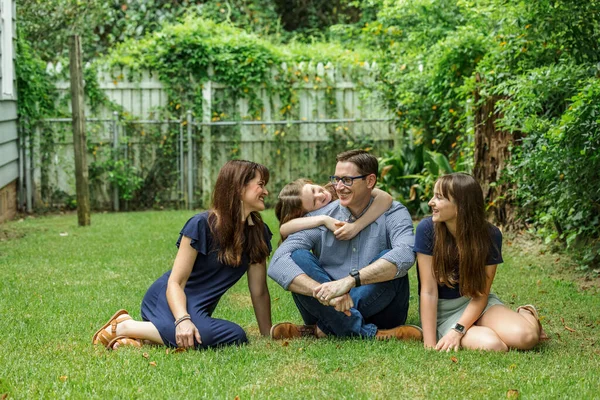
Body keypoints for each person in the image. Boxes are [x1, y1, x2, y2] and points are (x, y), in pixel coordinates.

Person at [92, 160, 273, 350]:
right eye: (260, 185)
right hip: (169, 299)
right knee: (221, 335)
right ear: (238, 187)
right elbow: (176, 282)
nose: (266, 192)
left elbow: (259, 291)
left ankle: (144, 336)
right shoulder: (201, 225)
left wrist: (266, 333)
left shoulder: (258, 233)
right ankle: (124, 327)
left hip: (198, 310)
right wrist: (182, 320)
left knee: (234, 336)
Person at [268, 149, 422, 341]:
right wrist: (328, 294)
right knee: (297, 256)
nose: (339, 187)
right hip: (325, 303)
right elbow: (278, 263)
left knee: (389, 257)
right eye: (336, 179)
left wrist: (349, 282)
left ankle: (321, 329)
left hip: (382, 309)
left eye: (347, 180)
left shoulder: (393, 213)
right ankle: (372, 333)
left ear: (370, 181)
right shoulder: (321, 217)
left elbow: (406, 254)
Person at [415, 172, 549, 352]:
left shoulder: (490, 235)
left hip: (477, 303)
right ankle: (485, 329)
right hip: (444, 312)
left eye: (439, 198)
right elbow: (429, 292)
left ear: (460, 206)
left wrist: (458, 331)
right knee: (494, 345)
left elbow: (481, 294)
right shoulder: (427, 230)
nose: (431, 202)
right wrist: (429, 345)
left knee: (527, 337)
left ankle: (526, 312)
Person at [275, 178, 393, 241]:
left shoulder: (339, 187)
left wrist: (357, 226)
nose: (320, 195)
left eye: (313, 190)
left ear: (310, 182)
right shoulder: (315, 216)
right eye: (314, 202)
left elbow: (385, 198)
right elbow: (284, 229)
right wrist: (324, 219)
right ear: (307, 213)